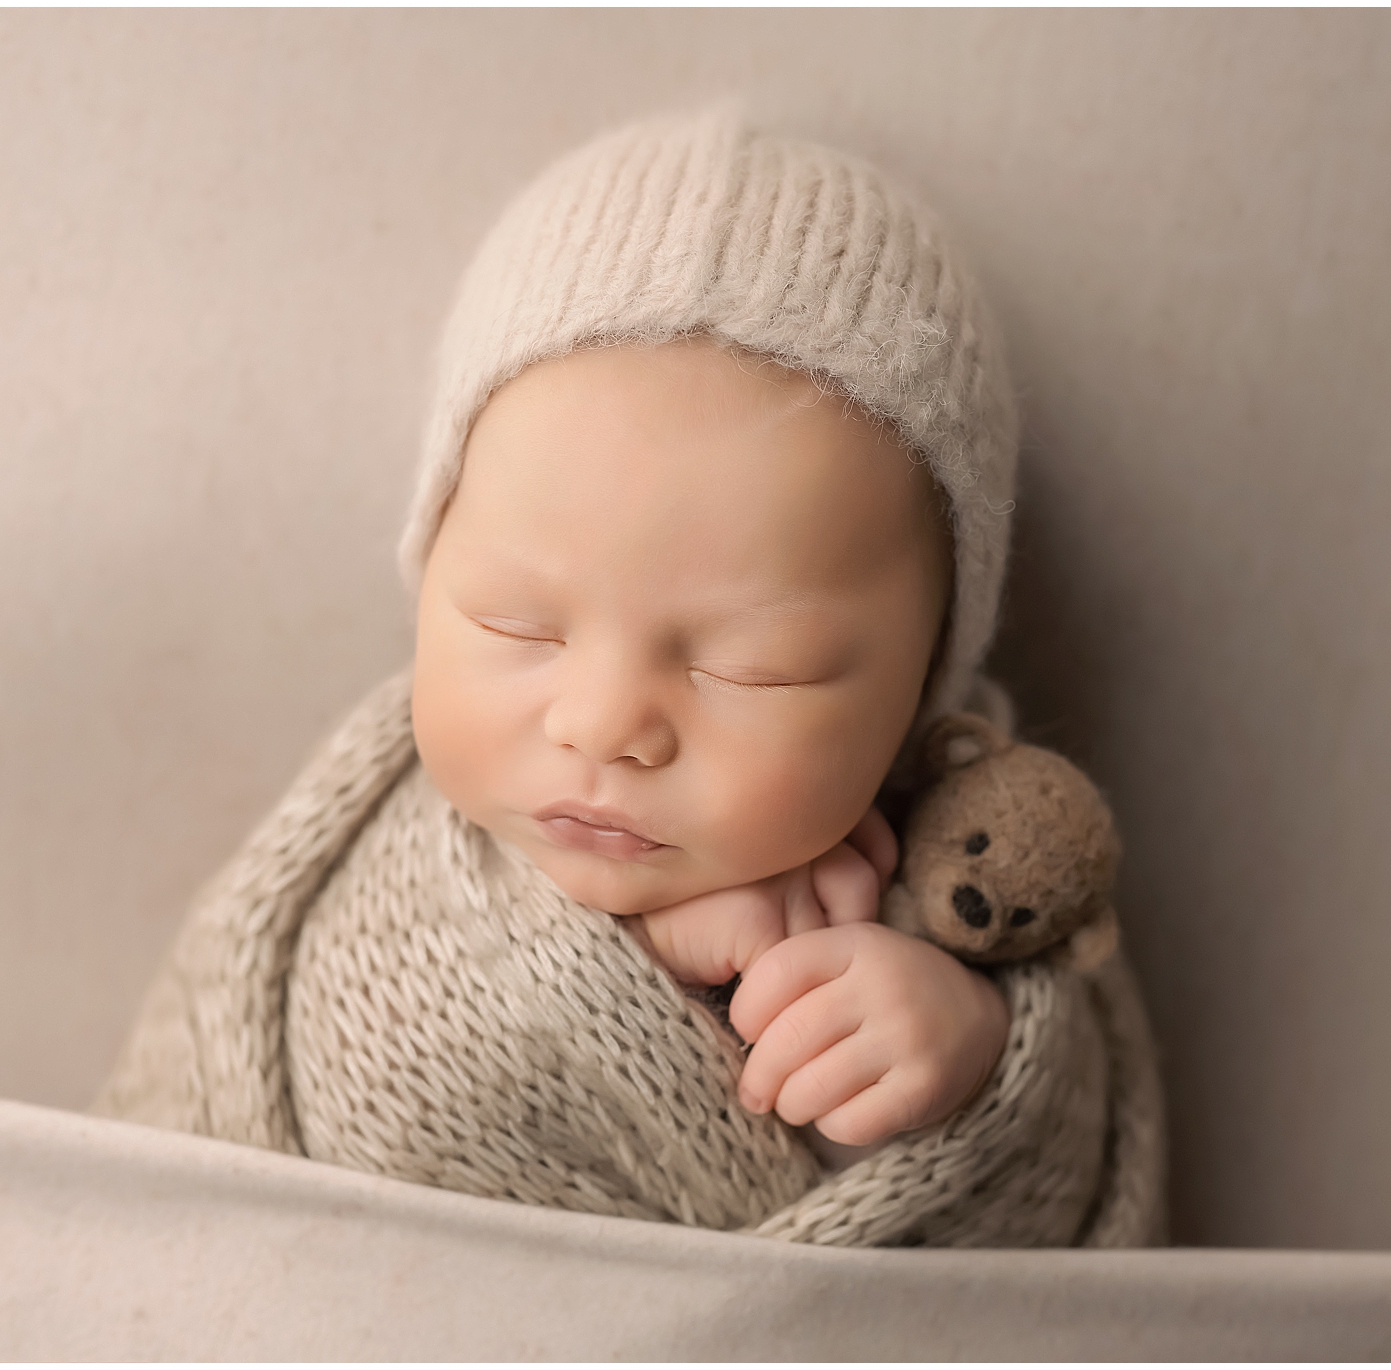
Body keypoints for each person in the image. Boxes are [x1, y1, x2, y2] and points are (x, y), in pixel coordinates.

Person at [97, 107, 1165, 1247]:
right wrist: (637, 965)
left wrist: (955, 1067)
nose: (602, 723)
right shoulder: (367, 877)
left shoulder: (977, 892)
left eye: (756, 667)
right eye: (516, 623)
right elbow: (317, 1094)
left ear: (920, 692)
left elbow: (1028, 1235)